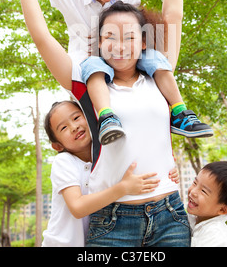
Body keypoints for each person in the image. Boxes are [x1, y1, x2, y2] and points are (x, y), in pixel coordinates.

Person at [6, 0, 191, 246]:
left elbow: (174, 15)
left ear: (144, 42)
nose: (120, 45)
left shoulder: (159, 75)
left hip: (170, 214)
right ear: (98, 44)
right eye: (109, 37)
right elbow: (41, 36)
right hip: (114, 221)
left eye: (130, 36)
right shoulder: (87, 86)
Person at [7, 0, 213, 144]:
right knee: (95, 67)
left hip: (127, 61)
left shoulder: (123, 1)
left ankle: (179, 113)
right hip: (90, 63)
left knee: (156, 60)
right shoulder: (74, 0)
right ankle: (106, 116)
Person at [41, 99, 164, 247]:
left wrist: (167, 171)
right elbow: (78, 207)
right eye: (64, 128)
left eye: (76, 118)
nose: (74, 127)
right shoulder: (64, 162)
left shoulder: (107, 157)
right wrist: (123, 188)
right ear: (58, 145)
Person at [187, 161, 227, 247]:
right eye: (195, 183)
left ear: (222, 209)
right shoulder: (194, 217)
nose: (193, 192)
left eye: (203, 191)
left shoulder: (216, 236)